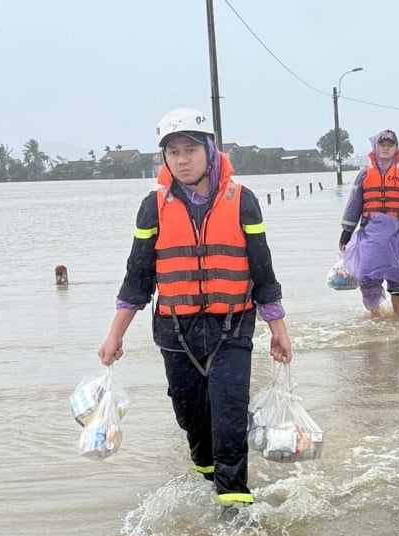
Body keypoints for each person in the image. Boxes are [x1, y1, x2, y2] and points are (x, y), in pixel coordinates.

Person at [98, 107, 293, 506]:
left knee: (228, 414)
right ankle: (206, 473)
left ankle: (234, 503)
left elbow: (263, 270)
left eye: (190, 149)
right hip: (175, 331)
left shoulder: (243, 202)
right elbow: (138, 276)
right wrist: (114, 335)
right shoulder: (153, 206)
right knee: (190, 417)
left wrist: (278, 328)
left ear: (209, 151)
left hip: (232, 327)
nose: (182, 160)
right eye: (173, 152)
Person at [339, 129, 399, 319]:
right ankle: (375, 317)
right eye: (382, 145)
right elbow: (354, 205)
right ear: (376, 148)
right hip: (371, 233)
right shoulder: (364, 174)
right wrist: (345, 234)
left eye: (390, 145)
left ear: (396, 148)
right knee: (368, 277)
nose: (385, 148)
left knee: (398, 278)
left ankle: (397, 321)